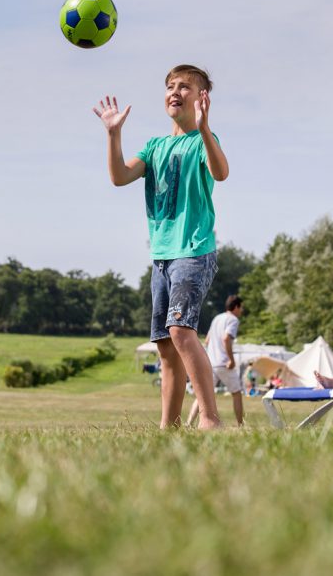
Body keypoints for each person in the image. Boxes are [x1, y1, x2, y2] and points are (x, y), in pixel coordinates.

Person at [93, 64, 230, 429]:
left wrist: (203, 130)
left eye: (185, 86)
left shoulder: (203, 140)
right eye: (170, 85)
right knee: (167, 348)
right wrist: (113, 134)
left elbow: (220, 172)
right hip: (162, 257)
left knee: (181, 331)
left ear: (201, 98)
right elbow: (119, 176)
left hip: (194, 250)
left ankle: (211, 420)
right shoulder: (155, 146)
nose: (175, 91)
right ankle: (168, 429)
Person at [187, 295, 245, 426]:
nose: (242, 311)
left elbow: (207, 340)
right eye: (241, 308)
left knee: (202, 396)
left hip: (210, 363)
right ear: (236, 307)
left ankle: (189, 423)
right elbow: (226, 338)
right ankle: (240, 425)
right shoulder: (233, 320)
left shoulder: (217, 318)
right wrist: (231, 359)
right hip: (223, 363)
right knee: (236, 393)